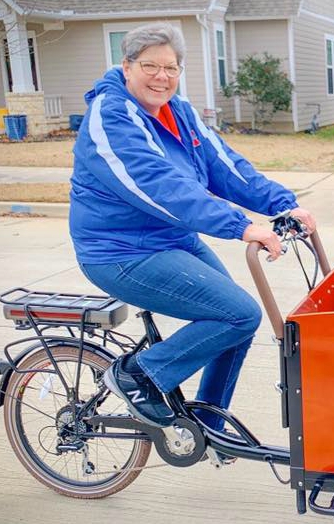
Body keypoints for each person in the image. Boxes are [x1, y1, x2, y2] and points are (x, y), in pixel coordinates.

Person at [69, 22, 315, 434]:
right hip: (120, 253)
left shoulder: (178, 111)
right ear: (127, 67)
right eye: (151, 66)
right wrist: (240, 225)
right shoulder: (108, 117)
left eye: (172, 67)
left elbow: (225, 166)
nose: (163, 77)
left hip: (173, 241)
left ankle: (204, 424)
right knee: (237, 314)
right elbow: (159, 186)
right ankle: (139, 373)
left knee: (237, 321)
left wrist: (283, 203)